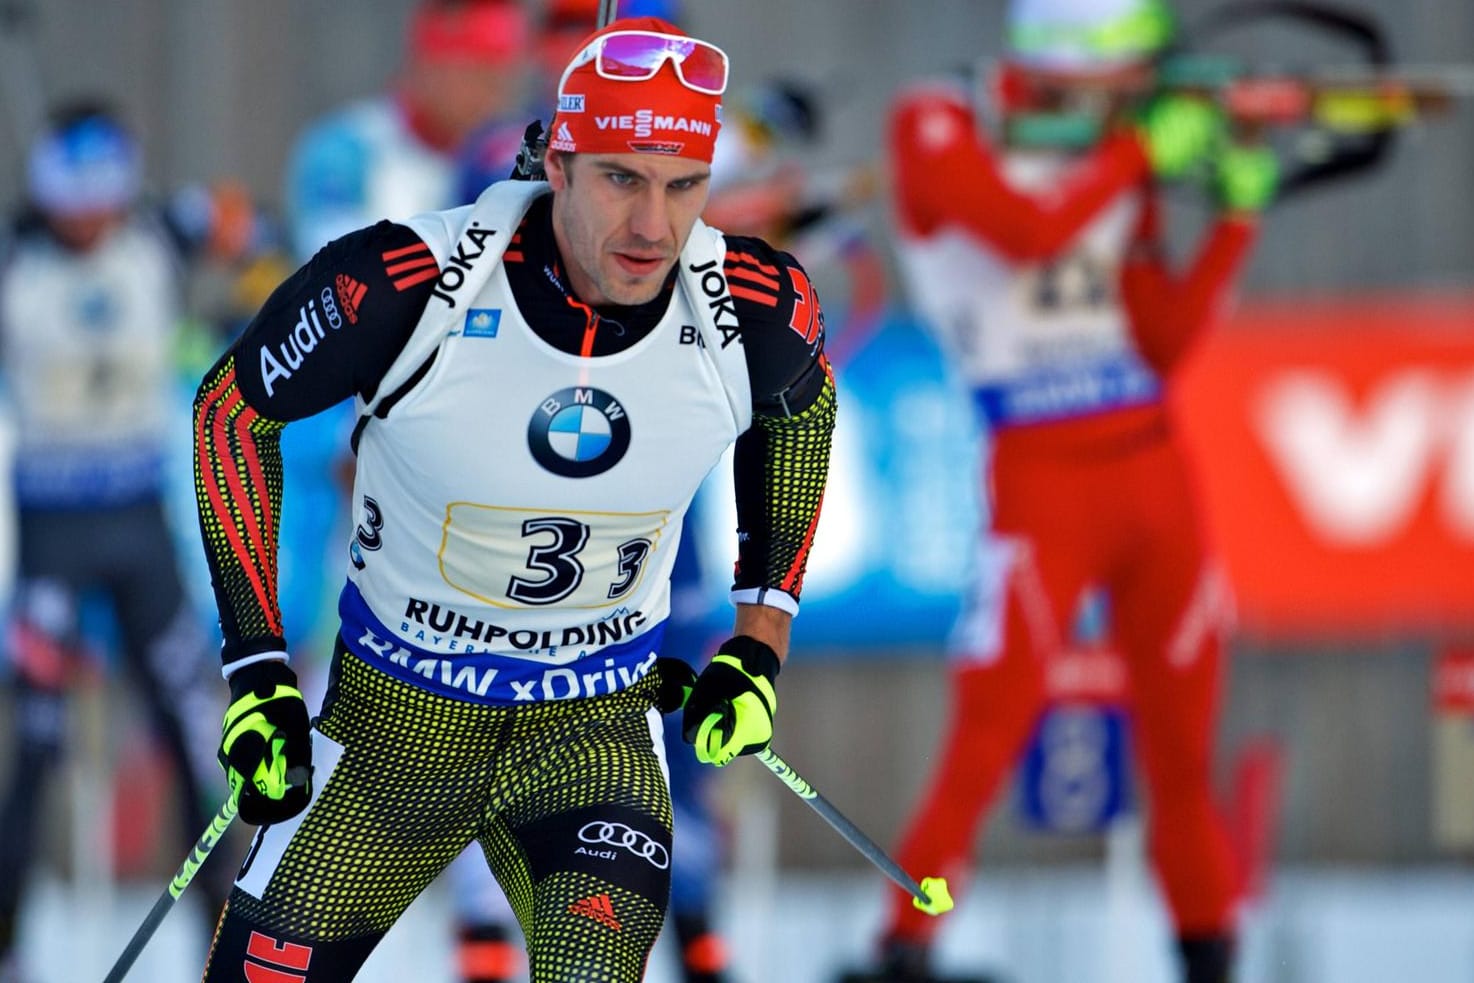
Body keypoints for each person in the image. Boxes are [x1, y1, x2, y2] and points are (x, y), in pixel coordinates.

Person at [192, 15, 836, 983]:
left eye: (684, 185)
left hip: (589, 733)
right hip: (393, 732)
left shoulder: (753, 304)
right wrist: (258, 672)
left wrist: (759, 640)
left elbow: (802, 417)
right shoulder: (410, 280)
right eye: (622, 178)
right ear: (559, 163)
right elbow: (232, 413)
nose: (654, 227)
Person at [842, 1, 1279, 982]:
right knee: (986, 736)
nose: (1137, 97)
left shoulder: (1114, 143)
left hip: (1155, 471)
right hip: (1040, 478)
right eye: (1126, 73)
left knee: (1180, 751)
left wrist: (1235, 215)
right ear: (1073, 58)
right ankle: (903, 947)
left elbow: (1160, 338)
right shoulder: (937, 118)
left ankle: (1208, 954)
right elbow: (1025, 230)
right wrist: (1134, 155)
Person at [282, 5, 539, 979]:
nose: (492, 94)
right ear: (429, 64)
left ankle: (481, 926)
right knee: (333, 671)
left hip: (467, 466)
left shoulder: (513, 151)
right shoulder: (349, 152)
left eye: (503, 73)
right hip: (347, 460)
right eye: (477, 73)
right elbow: (346, 306)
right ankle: (289, 906)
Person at [0, 100, 263, 981]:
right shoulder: (17, 256)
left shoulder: (155, 233)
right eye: (72, 199)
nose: (89, 218)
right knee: (35, 743)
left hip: (138, 520)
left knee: (196, 729)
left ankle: (221, 930)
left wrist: (233, 254)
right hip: (50, 526)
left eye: (103, 197)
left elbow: (251, 228)